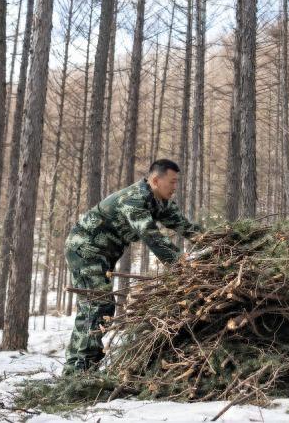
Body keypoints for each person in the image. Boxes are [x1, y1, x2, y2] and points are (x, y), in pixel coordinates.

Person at [64, 158, 201, 373]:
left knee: (99, 305)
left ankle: (80, 367)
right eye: (172, 182)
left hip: (104, 253)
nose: (175, 187)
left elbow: (187, 227)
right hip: (85, 248)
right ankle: (79, 371)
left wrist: (221, 242)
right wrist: (183, 267)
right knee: (97, 305)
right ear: (156, 180)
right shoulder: (134, 200)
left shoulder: (159, 201)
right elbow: (152, 237)